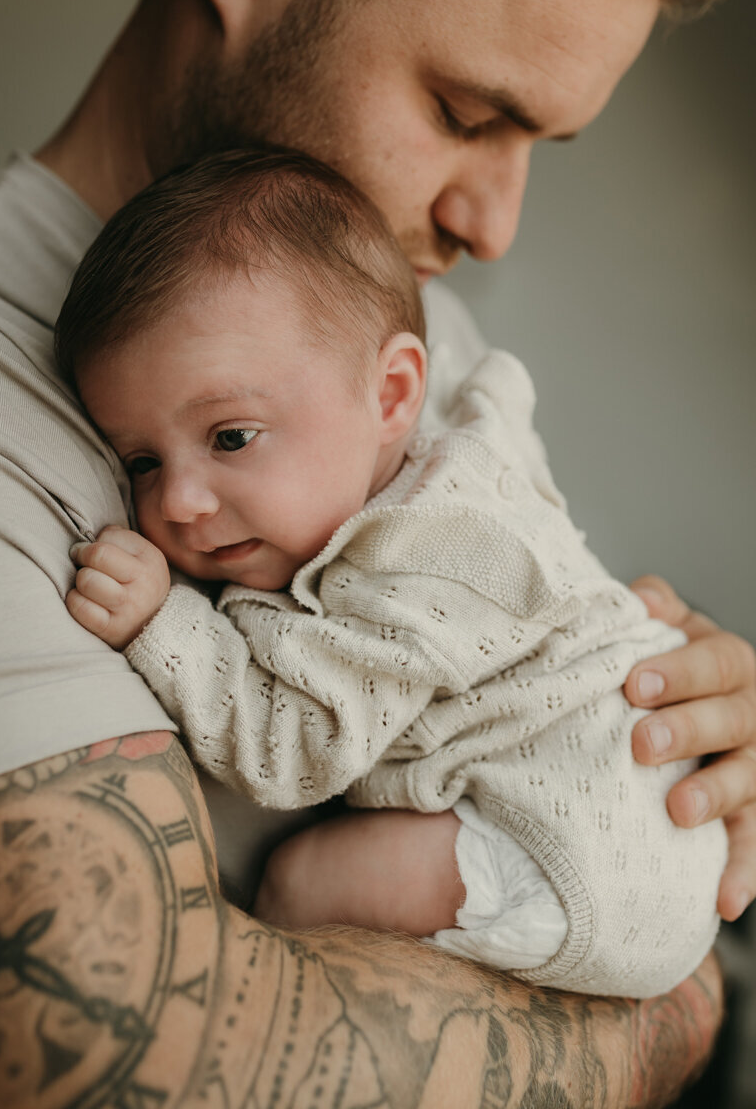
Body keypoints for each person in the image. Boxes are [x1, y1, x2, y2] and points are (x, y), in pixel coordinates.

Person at [0, 0, 755, 1104]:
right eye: (465, 115)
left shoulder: (414, 355)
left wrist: (687, 752)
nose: (491, 224)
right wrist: (684, 995)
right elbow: (125, 1064)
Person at [58, 145, 727, 999]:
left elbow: (296, 751)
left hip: (591, 849)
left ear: (390, 394)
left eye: (230, 437)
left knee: (302, 887)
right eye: (141, 461)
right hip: (648, 827)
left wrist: (164, 621)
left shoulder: (426, 560)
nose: (179, 502)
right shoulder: (431, 452)